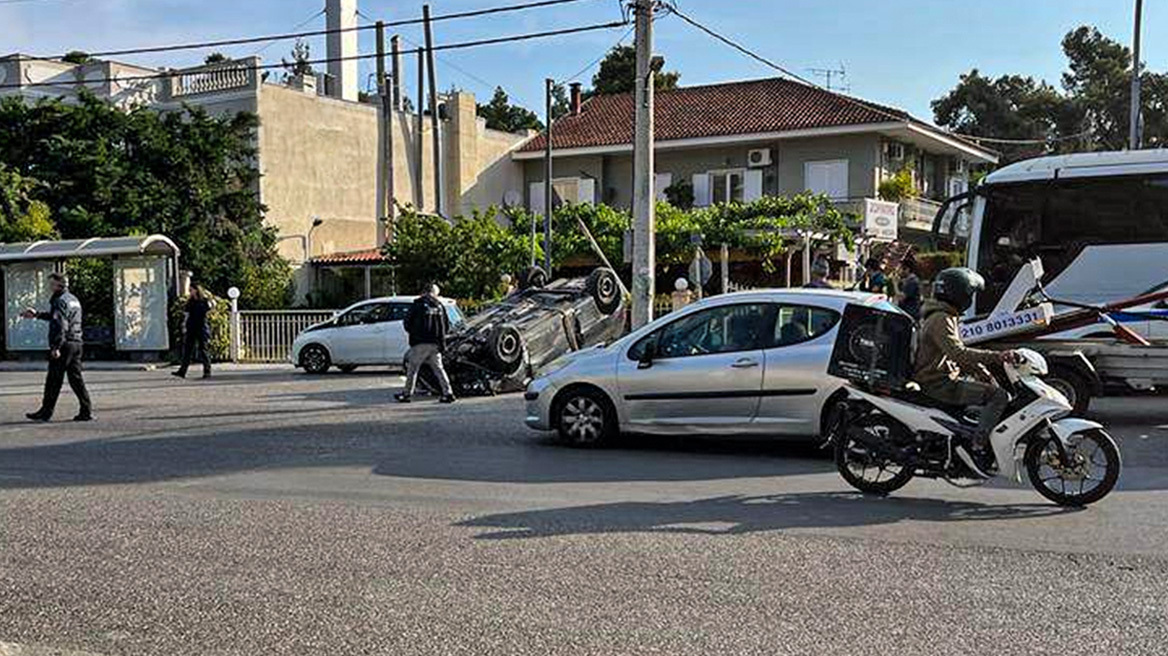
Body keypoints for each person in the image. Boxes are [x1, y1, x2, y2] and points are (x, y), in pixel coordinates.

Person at [915, 267, 1016, 470]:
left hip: (942, 378)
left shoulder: (944, 315)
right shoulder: (941, 319)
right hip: (938, 383)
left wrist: (980, 370)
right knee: (999, 397)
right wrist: (997, 357)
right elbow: (957, 353)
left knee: (986, 396)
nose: (970, 299)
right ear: (959, 293)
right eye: (970, 294)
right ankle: (978, 445)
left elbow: (954, 355)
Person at [20, 272, 93, 422]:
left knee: (53, 380)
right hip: (77, 343)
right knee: (76, 379)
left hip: (64, 344)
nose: (49, 286)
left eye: (51, 283)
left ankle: (45, 412)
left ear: (58, 285)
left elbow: (60, 324)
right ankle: (86, 411)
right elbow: (60, 317)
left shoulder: (59, 300)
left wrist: (56, 347)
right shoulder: (73, 299)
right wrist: (37, 315)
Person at [395, 283, 455, 404]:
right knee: (439, 369)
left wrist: (414, 334)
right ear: (434, 292)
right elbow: (447, 325)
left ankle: (406, 394)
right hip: (436, 343)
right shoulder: (440, 306)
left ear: (424, 292)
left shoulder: (418, 304)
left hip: (420, 343)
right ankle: (448, 393)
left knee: (412, 369)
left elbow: (407, 322)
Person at [173, 285, 213, 379]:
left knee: (203, 350)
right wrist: (184, 325)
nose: (190, 292)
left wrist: (209, 299)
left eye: (191, 290)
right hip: (191, 327)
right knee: (187, 350)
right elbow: (186, 314)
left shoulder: (204, 301)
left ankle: (207, 371)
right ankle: (182, 371)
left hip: (202, 327)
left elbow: (211, 308)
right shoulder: (190, 302)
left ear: (196, 290)